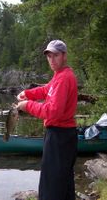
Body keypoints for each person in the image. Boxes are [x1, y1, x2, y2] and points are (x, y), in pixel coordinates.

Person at [16, 39, 78, 200]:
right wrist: (28, 93)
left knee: (51, 185)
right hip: (63, 135)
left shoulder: (64, 78)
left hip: (60, 136)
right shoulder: (60, 75)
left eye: (55, 55)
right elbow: (46, 90)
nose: (51, 59)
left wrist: (27, 105)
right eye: (49, 56)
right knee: (63, 182)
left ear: (64, 56)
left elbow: (53, 112)